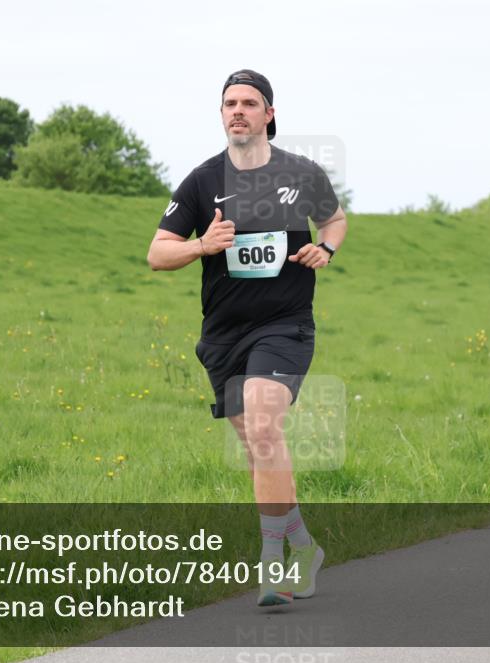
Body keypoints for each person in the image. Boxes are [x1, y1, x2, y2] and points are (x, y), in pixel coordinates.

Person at [146, 69, 347, 606]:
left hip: (285, 325)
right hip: (223, 336)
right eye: (230, 103)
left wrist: (325, 249)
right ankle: (302, 545)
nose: (238, 110)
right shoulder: (202, 181)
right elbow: (157, 254)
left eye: (249, 103)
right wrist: (203, 246)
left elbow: (334, 220)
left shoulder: (301, 173)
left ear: (269, 114)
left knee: (262, 422)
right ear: (221, 114)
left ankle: (272, 565)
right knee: (260, 447)